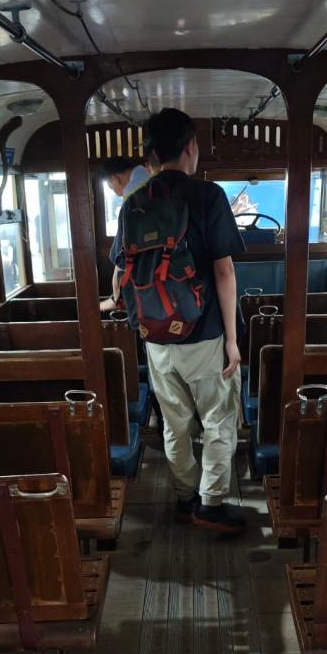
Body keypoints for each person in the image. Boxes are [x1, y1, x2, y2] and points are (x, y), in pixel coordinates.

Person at [110, 108, 245, 534]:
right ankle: (211, 503)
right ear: (190, 147)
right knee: (219, 420)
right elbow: (224, 271)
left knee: (175, 424)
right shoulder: (208, 196)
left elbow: (120, 274)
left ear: (151, 154)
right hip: (203, 334)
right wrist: (232, 340)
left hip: (155, 337)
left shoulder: (133, 203)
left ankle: (185, 498)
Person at [100, 156, 152, 313]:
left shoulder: (131, 203)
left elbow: (120, 260)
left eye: (112, 188)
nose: (117, 194)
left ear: (114, 179)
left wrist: (115, 298)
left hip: (142, 289)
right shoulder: (155, 182)